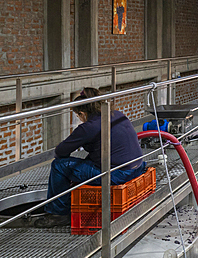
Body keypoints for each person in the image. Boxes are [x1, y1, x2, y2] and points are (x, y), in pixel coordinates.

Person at [40, 88, 145, 226]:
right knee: (88, 160)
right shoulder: (117, 114)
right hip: (138, 167)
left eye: (78, 116)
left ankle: (58, 214)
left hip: (119, 174)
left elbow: (60, 152)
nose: (80, 119)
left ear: (82, 113)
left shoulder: (88, 127)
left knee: (59, 166)